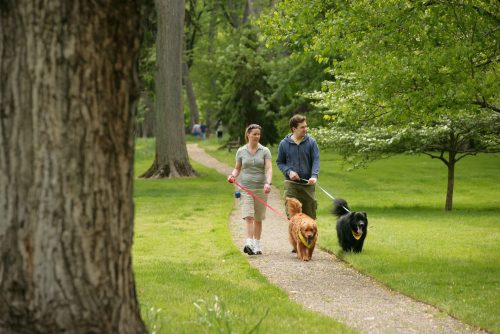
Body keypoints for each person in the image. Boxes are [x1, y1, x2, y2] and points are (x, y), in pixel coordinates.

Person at [227, 124, 272, 255]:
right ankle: (249, 243)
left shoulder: (265, 151)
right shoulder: (241, 151)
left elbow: (269, 168)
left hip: (261, 189)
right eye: (254, 134)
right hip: (245, 188)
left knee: (258, 218)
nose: (257, 136)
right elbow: (237, 168)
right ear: (248, 134)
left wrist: (268, 183)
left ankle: (257, 244)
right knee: (249, 216)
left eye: (259, 134)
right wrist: (233, 175)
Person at [276, 114, 320, 219]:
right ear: (294, 129)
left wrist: (314, 175)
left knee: (310, 219)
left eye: (306, 126)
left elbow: (316, 160)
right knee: (293, 219)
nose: (305, 129)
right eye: (302, 127)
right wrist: (289, 171)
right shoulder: (284, 144)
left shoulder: (311, 142)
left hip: (308, 185)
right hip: (291, 185)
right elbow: (280, 162)